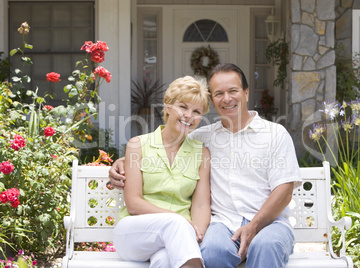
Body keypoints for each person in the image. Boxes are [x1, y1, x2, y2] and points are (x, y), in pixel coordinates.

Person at [110, 63, 302, 268]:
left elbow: (284, 190)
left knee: (265, 245)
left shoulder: (275, 134)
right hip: (223, 224)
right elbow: (164, 144)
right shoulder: (202, 137)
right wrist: (122, 162)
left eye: (233, 91)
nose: (226, 98)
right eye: (219, 93)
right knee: (212, 252)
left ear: (246, 93)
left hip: (269, 224)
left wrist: (253, 226)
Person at [113, 76, 211, 268]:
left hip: (179, 236)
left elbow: (200, 206)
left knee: (165, 261)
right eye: (183, 107)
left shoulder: (202, 154)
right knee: (174, 225)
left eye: (197, 111)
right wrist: (178, 219)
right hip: (134, 232)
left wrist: (197, 233)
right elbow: (133, 203)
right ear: (167, 106)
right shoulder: (138, 145)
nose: (189, 116)